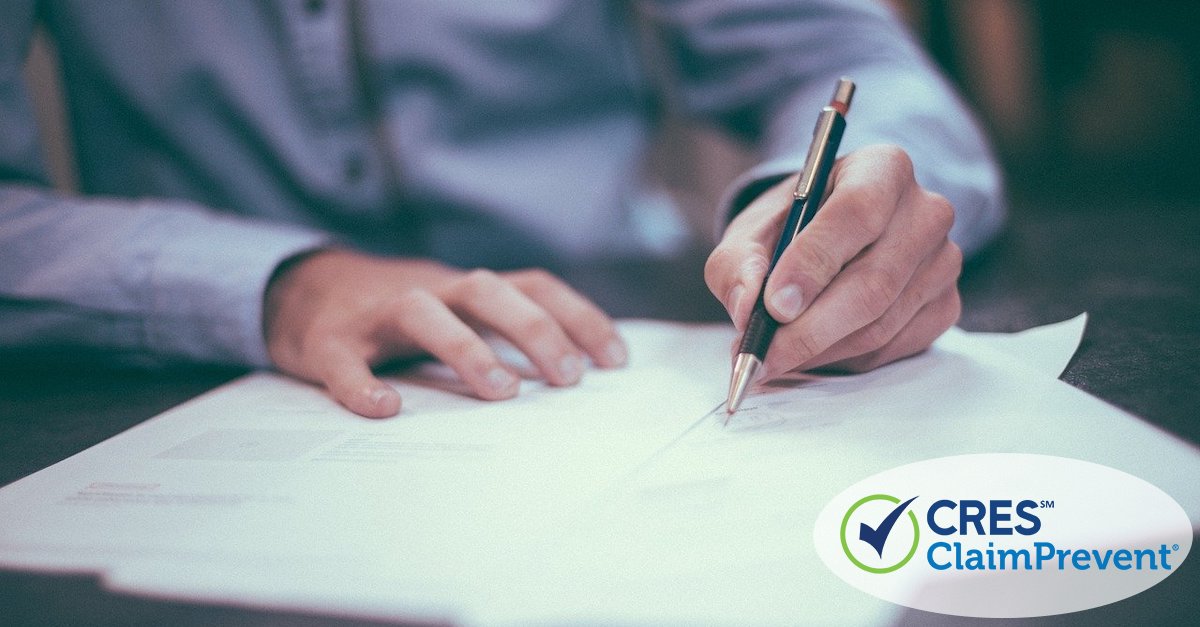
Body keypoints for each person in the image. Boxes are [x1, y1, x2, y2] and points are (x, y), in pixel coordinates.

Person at [0, 0, 1004, 417]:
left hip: (607, 343)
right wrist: (275, 285)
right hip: (186, 379)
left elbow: (861, 69)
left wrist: (837, 213)